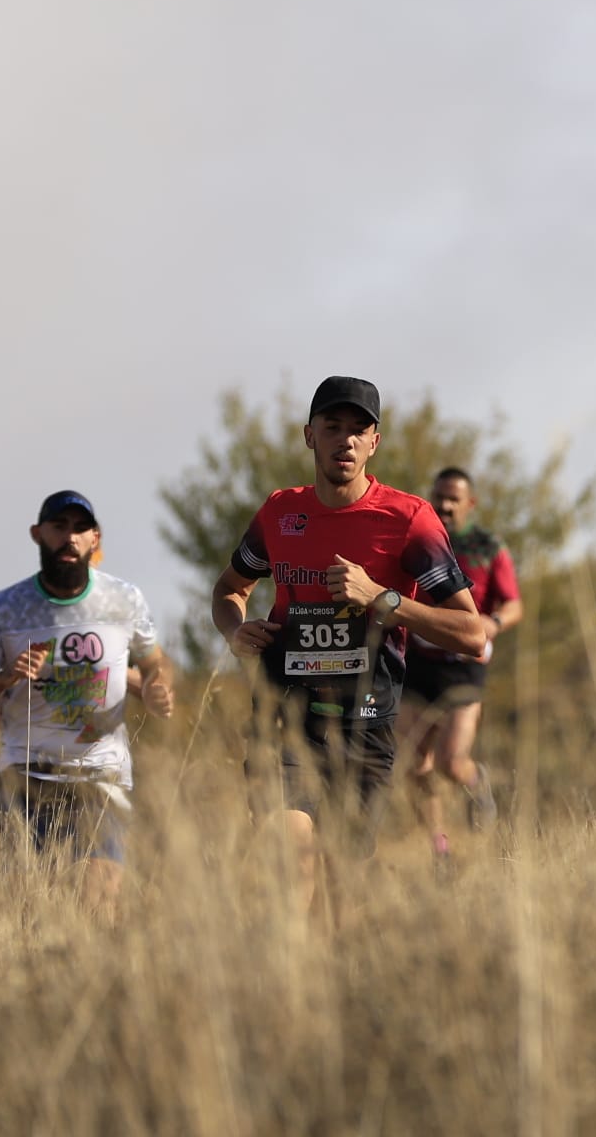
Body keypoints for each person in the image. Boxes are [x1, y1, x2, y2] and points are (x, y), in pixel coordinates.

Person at [212, 376, 489, 916]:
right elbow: (230, 589)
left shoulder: (408, 519)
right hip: (285, 712)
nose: (345, 440)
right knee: (289, 852)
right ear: (308, 436)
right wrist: (233, 630)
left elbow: (472, 634)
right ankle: (288, 985)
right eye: (332, 428)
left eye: (358, 430)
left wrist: (381, 599)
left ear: (374, 443)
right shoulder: (279, 513)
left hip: (366, 720)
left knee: (342, 886)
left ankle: (332, 979)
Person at [0, 491, 174, 910]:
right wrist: (4, 677)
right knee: (32, 911)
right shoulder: (6, 609)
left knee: (99, 903)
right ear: (38, 534)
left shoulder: (123, 599)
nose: (69, 537)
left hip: (100, 775)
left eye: (80, 528)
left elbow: (155, 664)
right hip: (27, 778)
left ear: (95, 538)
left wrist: (155, 687)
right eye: (58, 527)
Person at [399, 467, 523, 866]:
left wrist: (494, 623)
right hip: (417, 664)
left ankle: (476, 782)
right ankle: (441, 850)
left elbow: (513, 603)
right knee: (416, 763)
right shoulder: (416, 542)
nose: (445, 505)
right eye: (439, 497)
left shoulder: (488, 547)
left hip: (464, 666)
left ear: (471, 504)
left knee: (451, 761)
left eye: (454, 498)